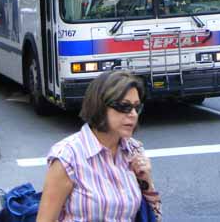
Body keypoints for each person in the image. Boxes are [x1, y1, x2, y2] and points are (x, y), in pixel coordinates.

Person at [37, 70, 161, 222]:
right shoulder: (68, 157)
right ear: (100, 107)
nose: (133, 114)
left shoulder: (133, 150)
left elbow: (154, 217)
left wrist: (146, 180)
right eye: (124, 107)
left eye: (137, 107)